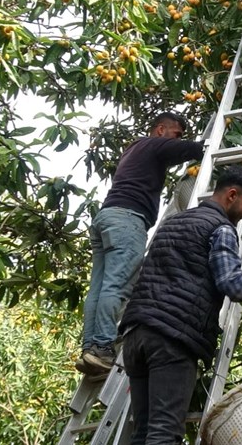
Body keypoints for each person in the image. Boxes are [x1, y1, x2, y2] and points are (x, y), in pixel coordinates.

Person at [118, 165, 242, 445]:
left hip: (136, 336)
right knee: (164, 433)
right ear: (232, 195)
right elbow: (232, 283)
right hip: (172, 339)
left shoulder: (172, 223)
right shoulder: (221, 229)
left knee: (143, 432)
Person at [76, 112, 205, 375]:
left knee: (99, 287)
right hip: (127, 219)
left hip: (107, 217)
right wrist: (208, 146)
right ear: (160, 130)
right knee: (116, 286)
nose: (177, 139)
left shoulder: (133, 149)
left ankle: (90, 348)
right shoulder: (152, 143)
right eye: (176, 134)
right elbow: (191, 150)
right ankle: (101, 347)